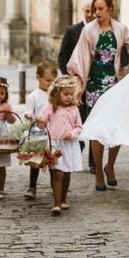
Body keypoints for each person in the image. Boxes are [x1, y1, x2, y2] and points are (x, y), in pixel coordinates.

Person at [67, 0, 129, 192]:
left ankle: (110, 166)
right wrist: (79, 86)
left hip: (114, 85)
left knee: (117, 129)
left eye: (100, 9)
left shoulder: (121, 29)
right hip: (94, 86)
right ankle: (98, 170)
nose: (96, 13)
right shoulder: (88, 31)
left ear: (110, 9)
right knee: (98, 130)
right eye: (94, 9)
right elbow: (79, 59)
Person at [46, 76, 84, 216]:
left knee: (66, 172)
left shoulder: (74, 109)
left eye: (71, 94)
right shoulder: (51, 108)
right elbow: (43, 121)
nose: (69, 97)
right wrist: (38, 120)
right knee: (57, 173)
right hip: (55, 145)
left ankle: (63, 199)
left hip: (69, 145)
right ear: (57, 94)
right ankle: (56, 204)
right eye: (65, 94)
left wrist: (72, 134)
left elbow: (79, 127)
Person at [23, 60, 56, 200]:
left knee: (54, 162)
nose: (50, 84)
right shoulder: (33, 96)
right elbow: (28, 111)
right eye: (47, 80)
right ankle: (32, 186)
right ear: (38, 77)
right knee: (36, 161)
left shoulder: (55, 94)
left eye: (53, 81)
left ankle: (55, 186)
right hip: (38, 132)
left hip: (53, 133)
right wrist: (29, 115)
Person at [57, 0, 94, 75]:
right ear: (82, 10)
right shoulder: (71, 31)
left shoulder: (102, 31)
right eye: (87, 11)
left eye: (93, 11)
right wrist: (68, 77)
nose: (90, 14)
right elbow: (62, 58)